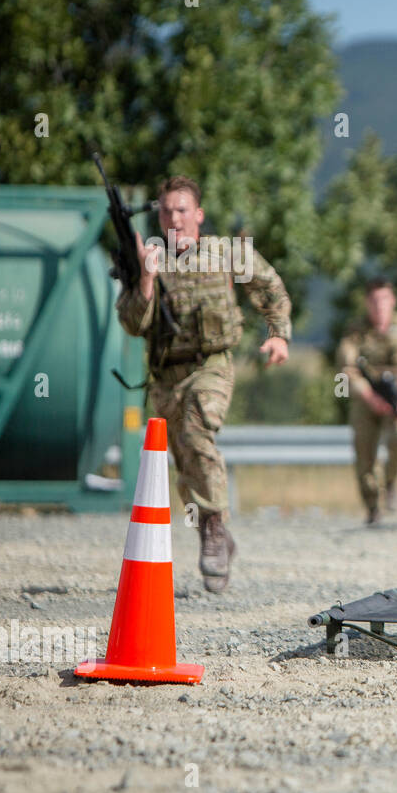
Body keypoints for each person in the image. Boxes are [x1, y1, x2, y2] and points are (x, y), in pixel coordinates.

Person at [120, 175, 292, 593]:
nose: (173, 218)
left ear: (198, 214)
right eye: (165, 211)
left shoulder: (225, 252)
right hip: (166, 376)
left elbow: (270, 287)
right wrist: (145, 278)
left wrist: (278, 334)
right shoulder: (149, 260)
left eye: (182, 210)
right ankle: (213, 532)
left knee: (197, 432)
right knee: (185, 465)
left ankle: (214, 528)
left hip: (212, 366)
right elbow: (132, 323)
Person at [336, 278, 397, 525]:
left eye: (385, 299)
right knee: (365, 455)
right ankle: (373, 506)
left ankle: (391, 483)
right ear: (367, 302)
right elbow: (345, 369)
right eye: (375, 300)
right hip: (366, 399)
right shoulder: (356, 331)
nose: (380, 306)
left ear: (393, 300)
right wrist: (368, 396)